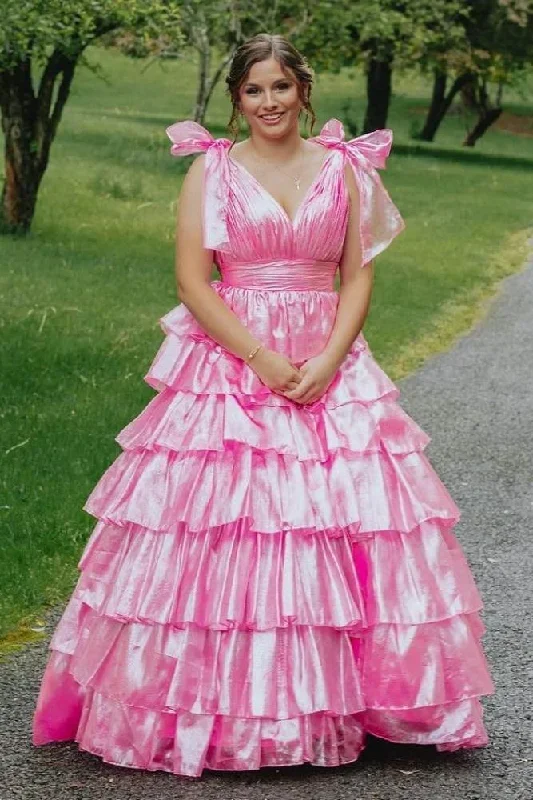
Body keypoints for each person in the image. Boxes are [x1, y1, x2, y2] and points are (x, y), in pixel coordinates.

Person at [32, 32, 495, 778]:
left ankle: (356, 698)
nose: (269, 102)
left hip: (327, 354)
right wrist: (262, 359)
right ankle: (225, 709)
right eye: (253, 90)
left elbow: (357, 275)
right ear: (237, 100)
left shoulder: (342, 170)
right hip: (235, 358)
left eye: (281, 86)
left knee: (347, 521)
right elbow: (192, 281)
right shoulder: (211, 173)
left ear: (302, 90)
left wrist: (330, 357)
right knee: (228, 523)